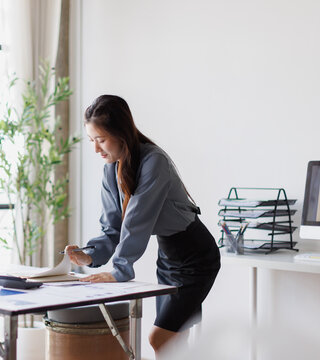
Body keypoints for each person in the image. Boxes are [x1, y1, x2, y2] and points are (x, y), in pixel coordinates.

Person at [65, 94, 221, 355]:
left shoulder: (154, 161)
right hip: (168, 258)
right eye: (91, 140)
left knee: (159, 339)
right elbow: (113, 226)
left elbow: (137, 221)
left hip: (196, 257)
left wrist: (120, 270)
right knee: (175, 344)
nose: (95, 149)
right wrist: (89, 256)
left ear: (121, 133)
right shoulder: (111, 169)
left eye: (101, 140)